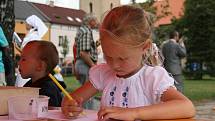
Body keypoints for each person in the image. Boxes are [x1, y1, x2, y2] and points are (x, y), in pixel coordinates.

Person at [61, 5, 195, 120]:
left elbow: (186, 107)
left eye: (122, 59)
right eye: (108, 56)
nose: (114, 65)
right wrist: (70, 105)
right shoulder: (103, 73)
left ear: (145, 47)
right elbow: (71, 99)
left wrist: (134, 113)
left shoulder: (151, 77)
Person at [20, 41, 63, 107]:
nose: (19, 63)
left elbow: (48, 113)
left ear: (40, 65)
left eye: (23, 59)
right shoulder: (29, 85)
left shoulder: (48, 90)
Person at [15, 15, 48, 87]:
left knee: (24, 87)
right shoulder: (31, 35)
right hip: (26, 64)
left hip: (28, 66)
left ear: (31, 24)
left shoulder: (34, 36)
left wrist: (18, 48)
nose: (25, 25)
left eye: (26, 23)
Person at [74, 14, 99, 109]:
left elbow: (80, 49)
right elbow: (83, 53)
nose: (97, 23)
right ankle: (86, 116)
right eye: (95, 20)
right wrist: (94, 66)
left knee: (83, 93)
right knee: (88, 95)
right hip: (85, 65)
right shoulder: (87, 32)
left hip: (81, 64)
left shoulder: (81, 30)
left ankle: (83, 114)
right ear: (90, 21)